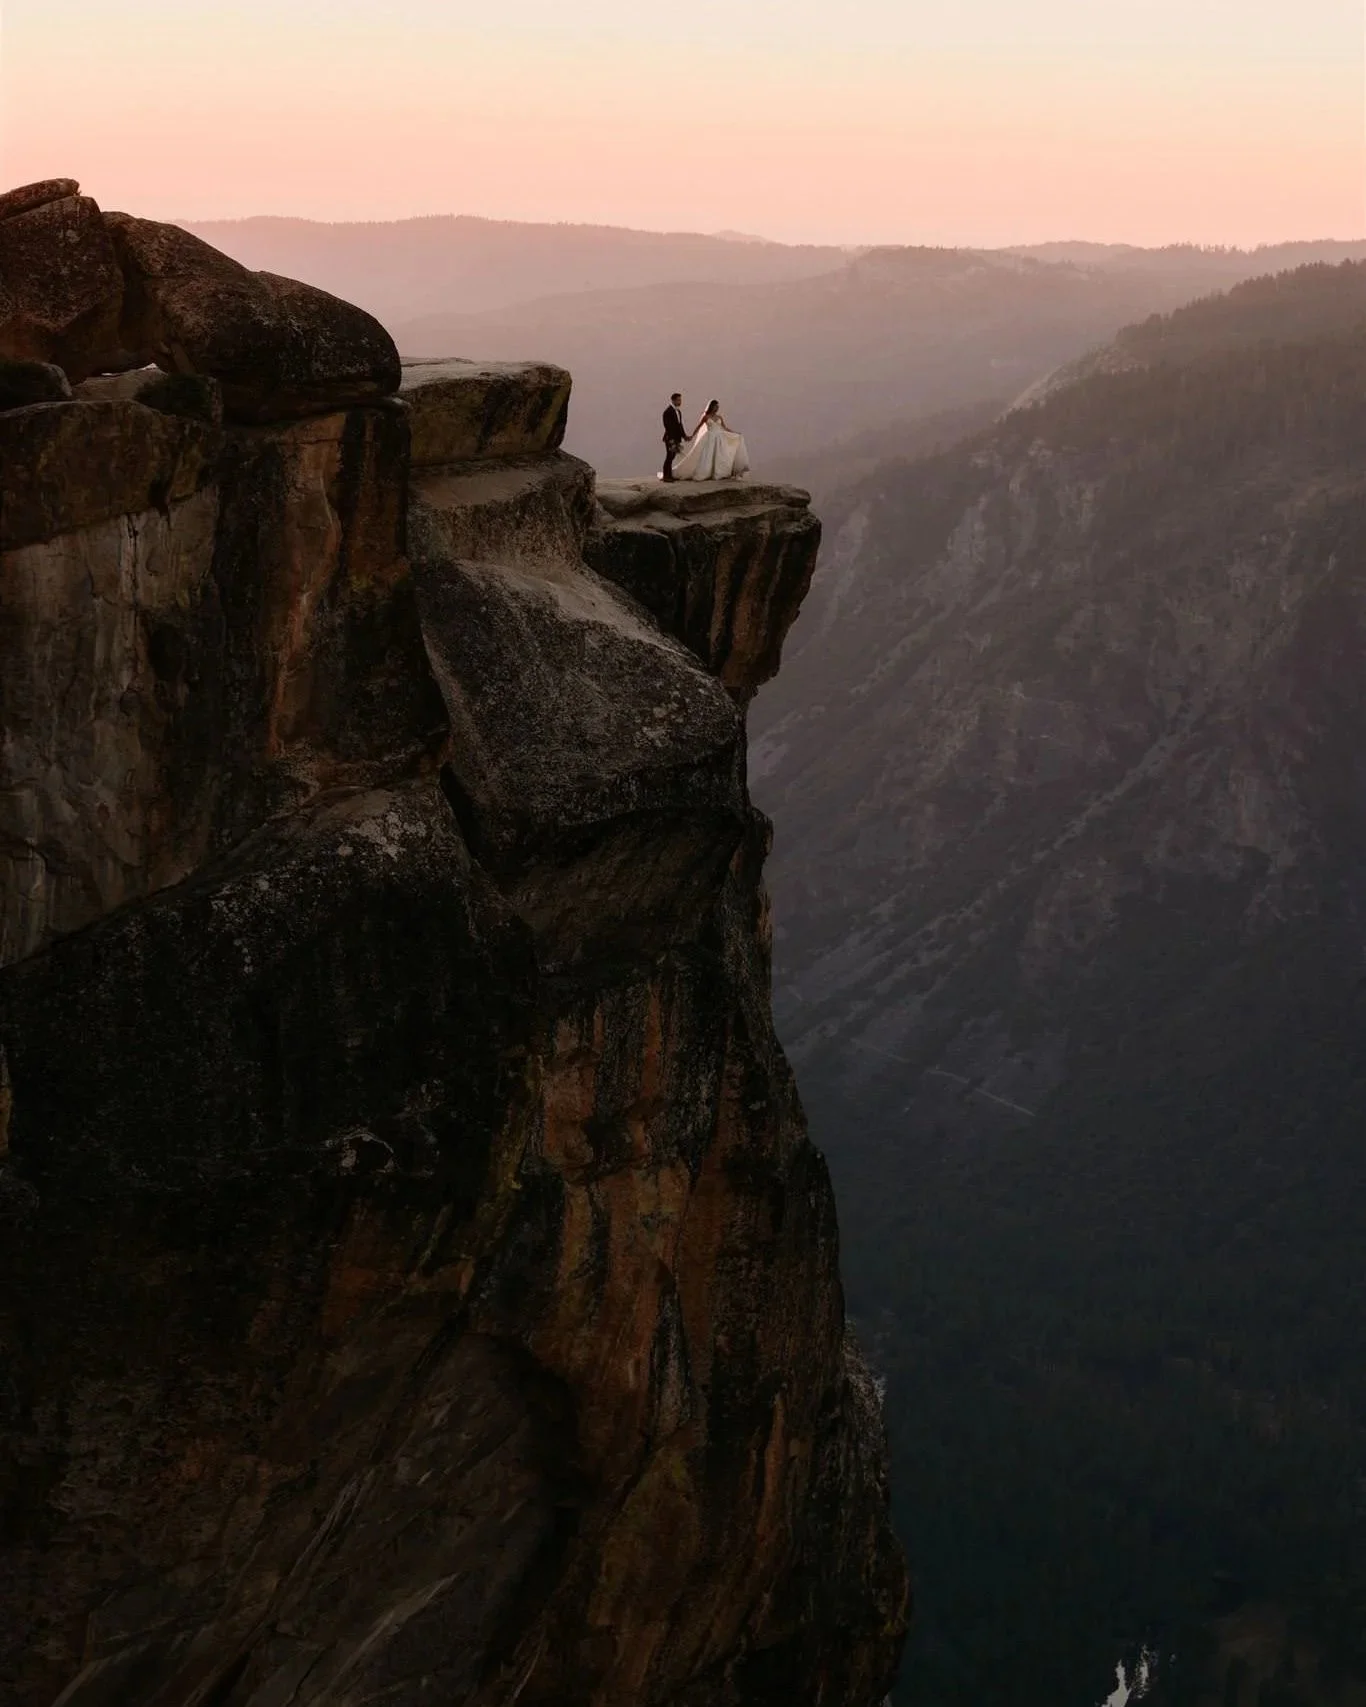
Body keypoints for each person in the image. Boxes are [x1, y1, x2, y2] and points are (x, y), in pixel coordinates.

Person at [670, 399, 751, 482]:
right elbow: (698, 427)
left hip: (719, 438)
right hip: (710, 438)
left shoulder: (719, 417)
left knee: (720, 455)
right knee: (709, 455)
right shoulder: (706, 417)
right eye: (716, 406)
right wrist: (692, 436)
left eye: (718, 406)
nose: (717, 408)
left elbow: (724, 427)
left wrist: (735, 433)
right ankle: (707, 472)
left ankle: (719, 472)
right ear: (711, 407)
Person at [661, 392, 687, 481]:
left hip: (676, 437)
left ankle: (669, 475)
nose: (680, 402)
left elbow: (680, 425)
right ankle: (666, 476)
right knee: (669, 456)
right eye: (678, 400)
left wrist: (684, 435)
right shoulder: (668, 412)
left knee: (672, 456)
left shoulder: (678, 412)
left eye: (680, 400)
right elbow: (667, 426)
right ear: (673, 400)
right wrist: (672, 439)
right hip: (670, 438)